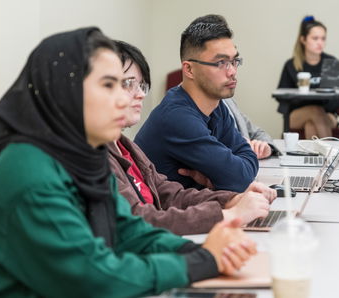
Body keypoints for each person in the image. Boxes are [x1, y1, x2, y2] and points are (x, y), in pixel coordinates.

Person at [0, 28, 256, 297]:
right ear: (65, 92)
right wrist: (204, 261)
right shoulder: (29, 170)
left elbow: (129, 231)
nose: (125, 99)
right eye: (109, 85)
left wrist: (205, 251)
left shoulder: (83, 158)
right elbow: (94, 279)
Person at [108, 40, 275, 235]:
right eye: (128, 84)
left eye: (141, 86)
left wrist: (230, 200)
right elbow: (138, 219)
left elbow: (169, 194)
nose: (140, 95)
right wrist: (228, 215)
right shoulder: (93, 157)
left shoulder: (124, 145)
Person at [135, 15, 257, 192]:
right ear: (189, 69)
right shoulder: (177, 117)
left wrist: (220, 178)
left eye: (234, 61)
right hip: (164, 216)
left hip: (195, 208)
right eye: (221, 63)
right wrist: (223, 178)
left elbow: (246, 158)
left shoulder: (217, 106)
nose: (232, 72)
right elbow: (240, 178)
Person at [277, 15, 339, 138]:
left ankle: (318, 157)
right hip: (296, 115)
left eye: (323, 39)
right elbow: (281, 96)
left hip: (327, 114)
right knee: (314, 110)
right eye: (315, 38)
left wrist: (325, 103)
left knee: (311, 124)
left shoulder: (331, 62)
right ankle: (332, 155)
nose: (320, 43)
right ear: (303, 39)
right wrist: (304, 98)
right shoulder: (291, 65)